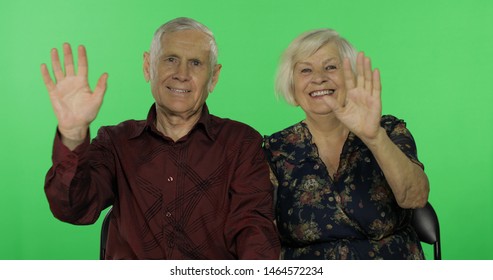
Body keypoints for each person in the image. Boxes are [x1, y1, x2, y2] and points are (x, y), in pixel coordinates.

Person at [41, 17, 280, 259]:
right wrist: (72, 134)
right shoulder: (115, 142)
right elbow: (72, 208)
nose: (182, 74)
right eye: (171, 59)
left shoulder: (241, 143)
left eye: (196, 63)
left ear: (214, 77)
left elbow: (254, 232)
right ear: (148, 66)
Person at [263, 29, 430, 259]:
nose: (319, 77)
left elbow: (415, 197)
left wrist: (374, 137)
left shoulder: (389, 130)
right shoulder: (274, 150)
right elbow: (259, 236)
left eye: (330, 67)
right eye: (305, 70)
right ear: (291, 85)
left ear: (351, 77)